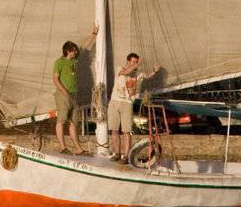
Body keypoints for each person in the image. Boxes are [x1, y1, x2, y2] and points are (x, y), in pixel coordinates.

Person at [106, 52, 160, 164]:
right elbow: (126, 72)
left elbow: (147, 76)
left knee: (126, 131)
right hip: (115, 101)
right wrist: (136, 65)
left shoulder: (137, 74)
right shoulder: (120, 68)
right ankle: (117, 153)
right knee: (114, 130)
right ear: (128, 61)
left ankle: (125, 156)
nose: (136, 64)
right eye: (133, 62)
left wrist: (155, 71)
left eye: (137, 62)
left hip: (127, 103)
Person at [51, 24, 98, 154]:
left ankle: (78, 148)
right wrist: (64, 92)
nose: (75, 52)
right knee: (61, 120)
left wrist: (93, 34)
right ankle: (63, 147)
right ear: (67, 51)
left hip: (74, 94)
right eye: (73, 50)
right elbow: (55, 79)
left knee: (73, 122)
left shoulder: (75, 60)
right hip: (63, 94)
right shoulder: (59, 62)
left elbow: (84, 47)